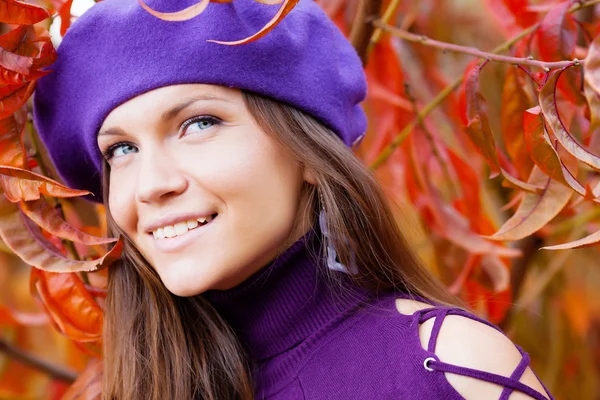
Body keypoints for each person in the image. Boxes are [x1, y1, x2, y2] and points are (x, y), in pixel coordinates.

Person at [32, 0, 554, 399]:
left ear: (306, 151)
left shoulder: (448, 366)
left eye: (199, 123)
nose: (151, 184)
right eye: (121, 149)